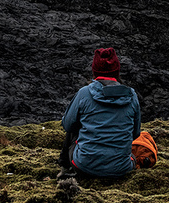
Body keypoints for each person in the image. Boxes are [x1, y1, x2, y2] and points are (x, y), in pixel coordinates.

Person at [59, 47, 157, 178]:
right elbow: (135, 133)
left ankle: (64, 167)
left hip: (85, 166)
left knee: (72, 126)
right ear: (117, 70)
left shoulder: (84, 93)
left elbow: (67, 125)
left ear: (94, 70)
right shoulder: (131, 95)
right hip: (121, 169)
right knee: (132, 157)